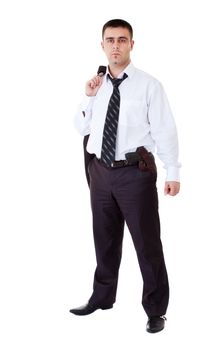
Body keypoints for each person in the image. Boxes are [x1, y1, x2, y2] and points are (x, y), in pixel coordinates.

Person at [70, 19, 181, 334]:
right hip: (100, 171)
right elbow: (81, 127)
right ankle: (102, 297)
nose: (115, 45)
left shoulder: (149, 85)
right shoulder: (97, 84)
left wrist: (173, 171)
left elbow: (165, 131)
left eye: (122, 39)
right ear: (102, 45)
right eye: (110, 40)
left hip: (135, 173)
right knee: (104, 238)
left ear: (132, 44)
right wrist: (89, 97)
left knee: (147, 243)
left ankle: (156, 309)